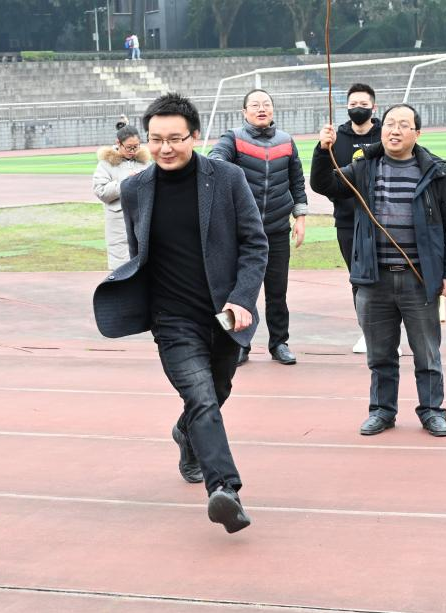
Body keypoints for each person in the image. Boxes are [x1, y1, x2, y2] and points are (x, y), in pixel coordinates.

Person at [93, 93, 268, 533]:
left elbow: (255, 243)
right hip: (171, 320)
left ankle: (186, 433)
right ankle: (224, 490)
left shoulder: (226, 178)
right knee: (202, 397)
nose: (165, 148)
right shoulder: (135, 189)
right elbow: (140, 255)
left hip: (224, 315)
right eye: (156, 139)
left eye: (175, 138)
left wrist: (242, 298)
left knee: (217, 391)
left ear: (194, 136)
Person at [311, 103, 446, 438]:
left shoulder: (437, 173)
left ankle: (432, 411)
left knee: (427, 354)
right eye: (389, 124)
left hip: (419, 280)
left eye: (403, 125)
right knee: (380, 354)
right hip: (373, 279)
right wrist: (323, 150)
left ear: (417, 133)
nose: (394, 130)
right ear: (381, 130)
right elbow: (325, 184)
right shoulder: (363, 167)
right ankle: (382, 411)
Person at [209, 88, 307, 367]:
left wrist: (300, 217)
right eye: (255, 105)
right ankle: (236, 343)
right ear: (244, 112)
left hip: (277, 229)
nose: (261, 108)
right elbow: (216, 159)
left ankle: (279, 343)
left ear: (273, 109)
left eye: (266, 104)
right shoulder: (233, 138)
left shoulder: (286, 141)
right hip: (240, 232)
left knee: (277, 292)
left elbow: (297, 181)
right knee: (236, 291)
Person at [319, 83, 382, 353]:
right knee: (358, 279)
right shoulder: (337, 137)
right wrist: (323, 148)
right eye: (353, 104)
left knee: (386, 278)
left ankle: (389, 334)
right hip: (348, 221)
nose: (358, 108)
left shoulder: (385, 134)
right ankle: (368, 332)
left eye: (363, 104)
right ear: (346, 107)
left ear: (373, 107)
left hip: (382, 220)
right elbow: (324, 179)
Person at [92, 116, 151, 271]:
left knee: (145, 262)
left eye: (136, 147)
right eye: (129, 147)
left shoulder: (145, 162)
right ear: (118, 144)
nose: (133, 151)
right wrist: (125, 183)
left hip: (143, 217)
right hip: (118, 221)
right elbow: (101, 191)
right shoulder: (106, 164)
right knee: (121, 265)